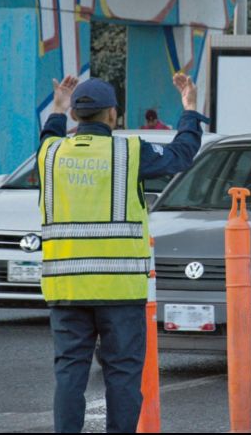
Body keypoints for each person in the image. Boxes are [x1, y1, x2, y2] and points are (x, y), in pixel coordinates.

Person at [37, 72, 208, 433]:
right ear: (112, 114)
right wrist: (190, 109)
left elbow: (49, 133)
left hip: (66, 288)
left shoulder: (49, 154)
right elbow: (180, 156)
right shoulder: (130, 152)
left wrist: (57, 108)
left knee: (69, 373)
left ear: (75, 115)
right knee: (123, 374)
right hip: (119, 289)